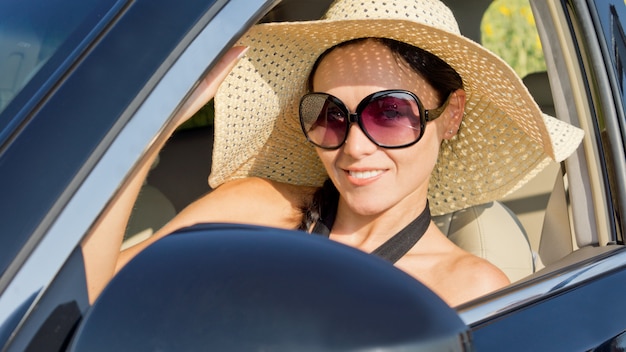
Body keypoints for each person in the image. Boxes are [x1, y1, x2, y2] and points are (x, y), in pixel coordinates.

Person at [83, 0, 584, 307]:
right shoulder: (252, 209)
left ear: (449, 116)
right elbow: (84, 296)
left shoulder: (465, 287)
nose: (354, 146)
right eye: (329, 115)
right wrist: (151, 131)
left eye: (389, 112)